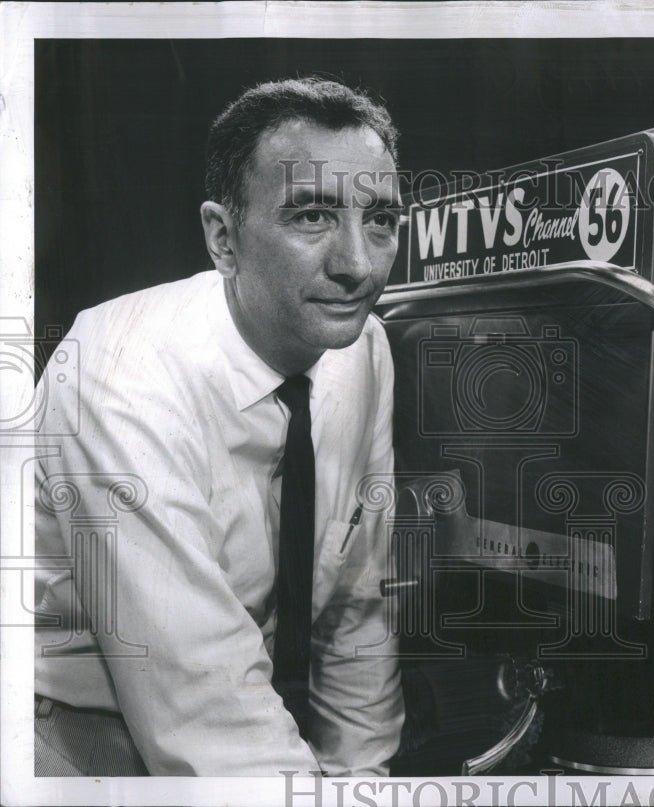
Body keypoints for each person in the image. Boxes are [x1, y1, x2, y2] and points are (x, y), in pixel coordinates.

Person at [32, 77, 404, 776]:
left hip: (246, 716)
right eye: (313, 216)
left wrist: (366, 781)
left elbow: (356, 604)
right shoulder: (118, 370)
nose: (358, 264)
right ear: (223, 237)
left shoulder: (363, 348)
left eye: (380, 219)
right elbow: (200, 702)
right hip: (78, 736)